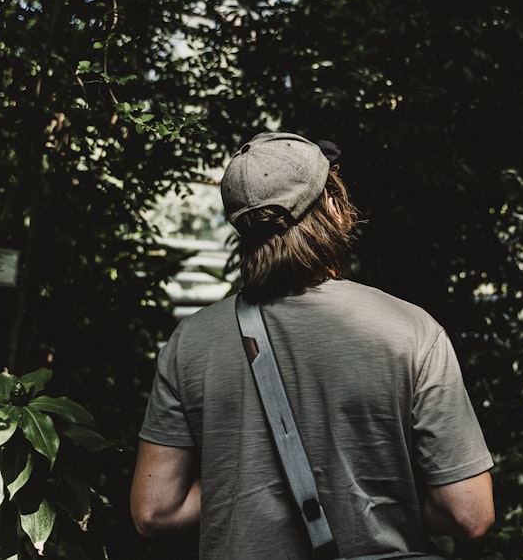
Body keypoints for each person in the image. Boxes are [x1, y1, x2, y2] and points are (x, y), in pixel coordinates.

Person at [130, 131, 494, 559]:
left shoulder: (190, 342)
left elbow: (154, 512)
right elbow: (470, 514)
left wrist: (247, 480)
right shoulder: (411, 330)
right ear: (336, 210)